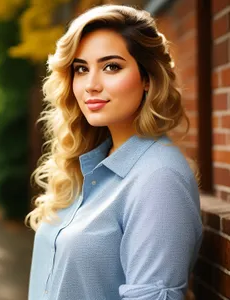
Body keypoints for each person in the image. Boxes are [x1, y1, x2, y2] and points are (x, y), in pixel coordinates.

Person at [25, 4, 203, 300]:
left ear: (148, 78)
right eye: (81, 69)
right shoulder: (89, 162)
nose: (91, 85)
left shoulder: (159, 178)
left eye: (111, 67)